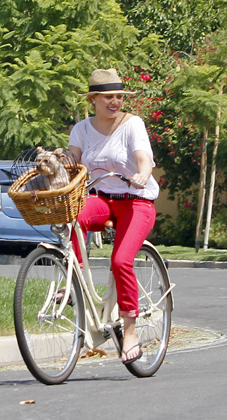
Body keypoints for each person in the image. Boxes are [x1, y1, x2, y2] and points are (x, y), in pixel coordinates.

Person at [68, 68, 160, 365]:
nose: (115, 102)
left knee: (121, 261)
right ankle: (75, 282)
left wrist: (141, 175)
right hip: (102, 199)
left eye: (119, 96)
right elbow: (71, 163)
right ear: (93, 99)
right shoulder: (81, 129)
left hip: (137, 202)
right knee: (74, 216)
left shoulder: (133, 125)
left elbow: (144, 159)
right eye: (108, 97)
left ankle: (130, 329)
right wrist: (53, 176)